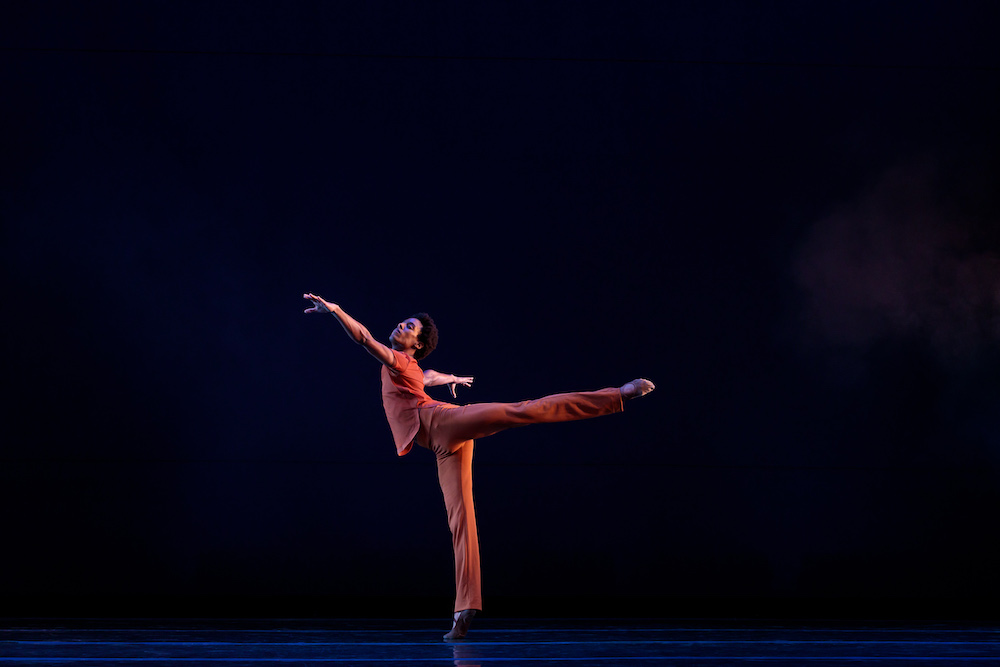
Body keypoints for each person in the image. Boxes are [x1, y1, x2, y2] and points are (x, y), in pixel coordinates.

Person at [303, 293, 654, 639]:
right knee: (460, 519)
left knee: (522, 410)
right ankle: (464, 608)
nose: (401, 324)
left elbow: (364, 338)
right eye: (404, 321)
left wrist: (335, 310)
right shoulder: (404, 367)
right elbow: (428, 376)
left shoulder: (398, 360)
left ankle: (617, 395)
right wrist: (451, 378)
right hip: (442, 446)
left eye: (409, 326)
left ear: (417, 342)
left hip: (445, 422)